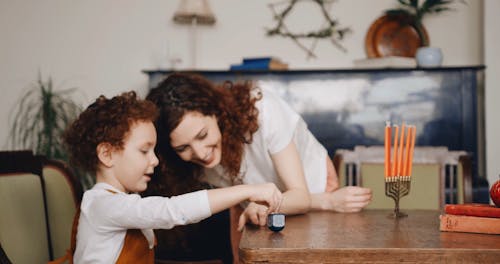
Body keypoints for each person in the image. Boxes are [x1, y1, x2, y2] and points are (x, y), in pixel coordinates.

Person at [145, 74, 372, 256]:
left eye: (203, 135)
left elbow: (300, 197)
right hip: (253, 207)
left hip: (310, 187)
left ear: (216, 112)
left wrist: (323, 201)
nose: (200, 153)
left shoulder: (263, 110)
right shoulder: (188, 163)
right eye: (183, 148)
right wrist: (255, 205)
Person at [63, 91, 282, 263]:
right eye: (144, 151)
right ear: (107, 154)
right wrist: (248, 189)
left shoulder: (120, 203)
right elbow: (172, 211)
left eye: (155, 151)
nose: (155, 161)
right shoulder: (103, 205)